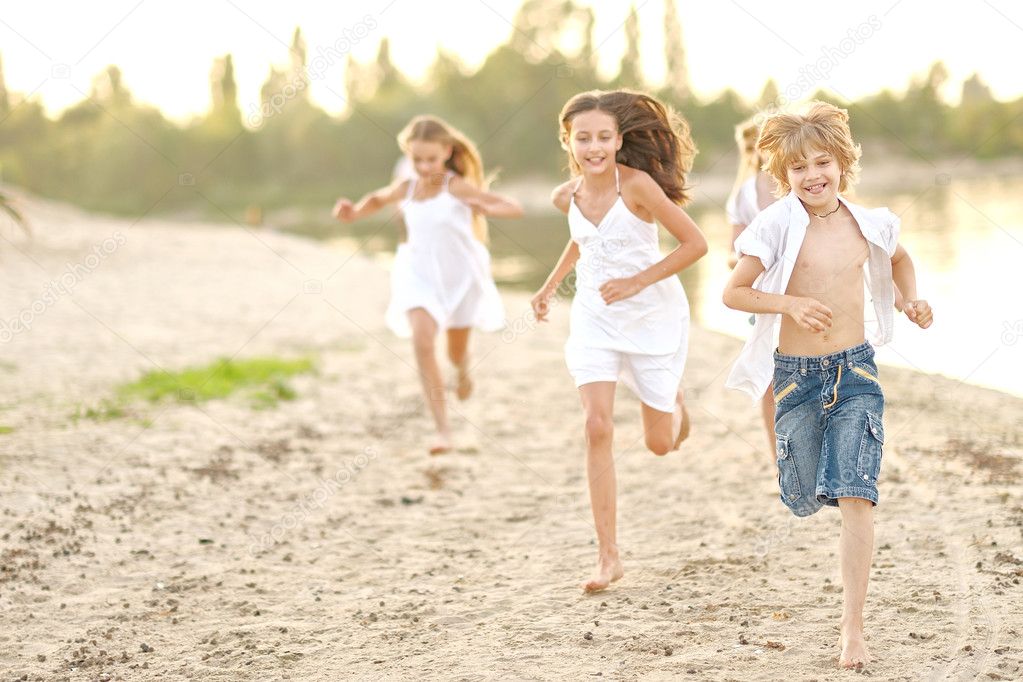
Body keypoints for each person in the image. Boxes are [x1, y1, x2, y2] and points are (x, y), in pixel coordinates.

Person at [722, 101, 933, 669]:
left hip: (856, 373)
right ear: (782, 176)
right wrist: (789, 302)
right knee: (801, 496)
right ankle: (805, 484)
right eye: (798, 168)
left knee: (856, 495)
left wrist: (910, 298)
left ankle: (853, 629)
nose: (813, 176)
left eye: (823, 162)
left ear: (843, 162)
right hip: (795, 379)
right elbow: (734, 293)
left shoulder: (871, 224)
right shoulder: (772, 225)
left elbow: (903, 259)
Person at [531, 90, 708, 593]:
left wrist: (637, 281)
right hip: (594, 317)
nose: (594, 146)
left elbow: (696, 244)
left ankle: (673, 401)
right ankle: (608, 556)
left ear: (618, 140)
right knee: (596, 425)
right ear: (568, 140)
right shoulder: (569, 195)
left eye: (603, 137)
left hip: (650, 316)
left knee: (659, 444)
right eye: (583, 137)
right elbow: (583, 239)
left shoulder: (639, 186)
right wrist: (547, 288)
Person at [333, 115, 523, 454]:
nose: (422, 166)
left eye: (430, 159)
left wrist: (486, 206)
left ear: (447, 153)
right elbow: (378, 199)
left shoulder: (456, 186)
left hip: (459, 276)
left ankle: (463, 370)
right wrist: (354, 212)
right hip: (417, 273)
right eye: (415, 159)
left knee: (455, 352)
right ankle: (443, 431)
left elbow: (513, 207)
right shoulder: (407, 187)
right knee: (422, 342)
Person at [725, 116, 781, 459]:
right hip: (762, 294)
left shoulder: (799, 181)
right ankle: (778, 456)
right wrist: (754, 259)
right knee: (770, 377)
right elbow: (731, 255)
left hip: (810, 290)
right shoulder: (744, 195)